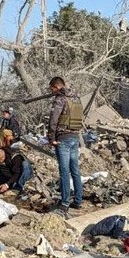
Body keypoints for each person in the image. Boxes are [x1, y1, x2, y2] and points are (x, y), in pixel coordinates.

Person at [47, 76, 83, 213]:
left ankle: (64, 203)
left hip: (63, 139)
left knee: (64, 172)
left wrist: (51, 138)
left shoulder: (60, 99)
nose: (51, 92)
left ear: (56, 87)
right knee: (75, 171)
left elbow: (53, 120)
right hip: (75, 136)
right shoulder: (76, 98)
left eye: (52, 89)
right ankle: (78, 201)